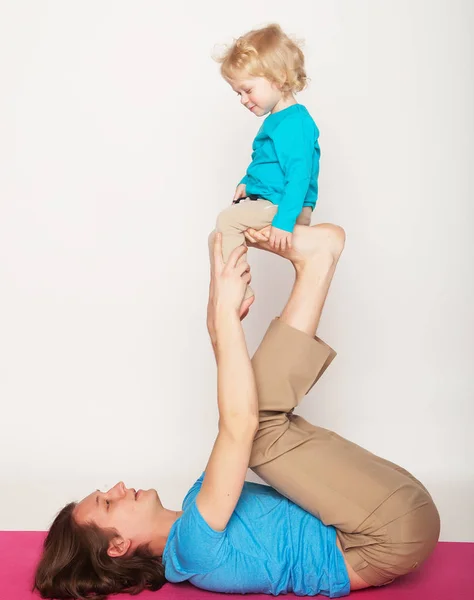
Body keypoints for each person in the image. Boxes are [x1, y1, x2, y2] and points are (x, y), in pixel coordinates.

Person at [34, 224, 440, 599]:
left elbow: (238, 412)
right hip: (383, 536)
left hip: (381, 516)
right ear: (118, 546)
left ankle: (316, 263)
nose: (118, 486)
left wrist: (220, 307)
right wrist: (222, 319)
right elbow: (240, 427)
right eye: (108, 503)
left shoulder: (199, 504)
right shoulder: (190, 551)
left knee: (253, 419)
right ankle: (316, 265)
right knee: (256, 431)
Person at [210, 24, 321, 306]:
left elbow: (298, 176)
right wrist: (247, 182)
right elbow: (266, 163)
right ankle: (233, 285)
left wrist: (284, 222)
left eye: (247, 90)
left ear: (279, 78)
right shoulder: (279, 120)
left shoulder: (294, 123)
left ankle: (241, 293)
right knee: (221, 235)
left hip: (285, 204)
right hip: (274, 198)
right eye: (238, 94)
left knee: (226, 222)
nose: (243, 100)